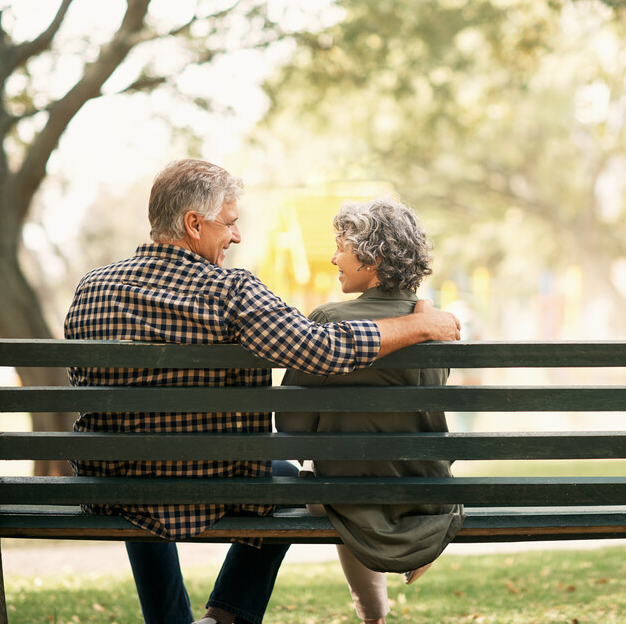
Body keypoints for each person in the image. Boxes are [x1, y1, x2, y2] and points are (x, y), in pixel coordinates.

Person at [63, 159, 460, 624]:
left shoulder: (91, 286)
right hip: (211, 482)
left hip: (111, 483)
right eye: (229, 224)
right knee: (286, 479)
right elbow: (323, 348)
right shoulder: (230, 291)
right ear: (194, 223)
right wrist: (417, 323)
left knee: (136, 471)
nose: (235, 236)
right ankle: (227, 616)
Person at [278, 196, 465, 624]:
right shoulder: (435, 325)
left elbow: (290, 422)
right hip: (428, 495)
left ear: (373, 257)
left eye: (342, 245)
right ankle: (416, 544)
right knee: (355, 483)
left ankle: (373, 616)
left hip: (347, 494)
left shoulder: (328, 320)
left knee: (339, 488)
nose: (333, 256)